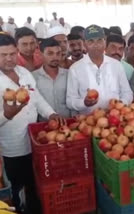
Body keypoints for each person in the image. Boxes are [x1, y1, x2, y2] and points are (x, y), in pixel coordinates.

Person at [0, 33, 62, 214]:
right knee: (18, 189)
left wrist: (51, 113)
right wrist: (7, 115)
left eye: (12, 53)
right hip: (12, 149)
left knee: (35, 184)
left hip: (35, 140)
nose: (9, 58)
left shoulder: (24, 73)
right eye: (3, 55)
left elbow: (36, 98)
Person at [67, 25, 133, 114]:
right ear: (85, 44)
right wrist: (84, 103)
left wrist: (119, 105)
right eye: (91, 41)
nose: (96, 45)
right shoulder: (75, 69)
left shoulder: (116, 65)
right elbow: (70, 100)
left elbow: (127, 93)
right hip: (89, 122)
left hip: (115, 118)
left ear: (105, 42)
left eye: (99, 41)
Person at [33, 38, 71, 120]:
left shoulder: (69, 74)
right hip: (44, 125)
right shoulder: (33, 77)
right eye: (50, 53)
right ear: (40, 54)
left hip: (68, 123)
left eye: (58, 53)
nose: (55, 57)